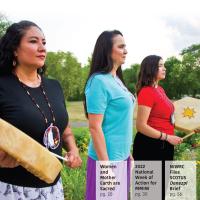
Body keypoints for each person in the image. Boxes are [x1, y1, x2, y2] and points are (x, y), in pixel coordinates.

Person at [0, 20, 82, 200]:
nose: (42, 47)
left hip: (52, 189)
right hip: (11, 189)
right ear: (14, 49)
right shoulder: (2, 86)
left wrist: (73, 150)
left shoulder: (54, 86)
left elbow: (64, 129)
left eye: (44, 42)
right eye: (33, 41)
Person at [84, 30, 135, 200]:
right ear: (107, 50)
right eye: (121, 47)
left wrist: (129, 155)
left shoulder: (117, 79)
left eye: (125, 46)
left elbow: (121, 123)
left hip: (123, 158)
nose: (125, 51)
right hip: (106, 161)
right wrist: (106, 168)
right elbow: (94, 127)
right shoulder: (99, 81)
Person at [132, 55, 183, 199]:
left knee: (160, 193)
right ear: (151, 68)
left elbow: (167, 118)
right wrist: (167, 137)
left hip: (164, 145)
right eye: (161, 65)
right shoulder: (147, 91)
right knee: (149, 195)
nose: (164, 68)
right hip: (150, 146)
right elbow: (141, 126)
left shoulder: (160, 90)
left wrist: (191, 127)